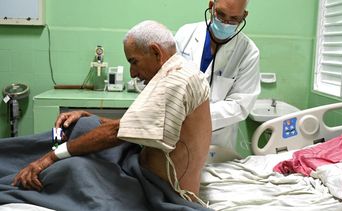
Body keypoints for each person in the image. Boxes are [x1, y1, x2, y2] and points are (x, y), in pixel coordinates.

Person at [6, 20, 212, 209]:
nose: (132, 73)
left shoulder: (175, 82)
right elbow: (136, 126)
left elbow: (115, 132)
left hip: (156, 189)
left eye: (134, 61)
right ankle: (29, 155)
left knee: (72, 166)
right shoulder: (176, 71)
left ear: (156, 52)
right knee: (81, 126)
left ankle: (35, 163)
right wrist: (91, 118)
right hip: (137, 164)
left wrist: (50, 158)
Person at [175, 0, 261, 155]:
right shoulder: (185, 35)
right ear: (211, 6)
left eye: (233, 19)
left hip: (217, 141)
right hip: (177, 134)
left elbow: (240, 105)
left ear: (244, 15)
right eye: (220, 14)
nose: (225, 23)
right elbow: (170, 83)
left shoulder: (248, 52)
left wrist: (196, 116)